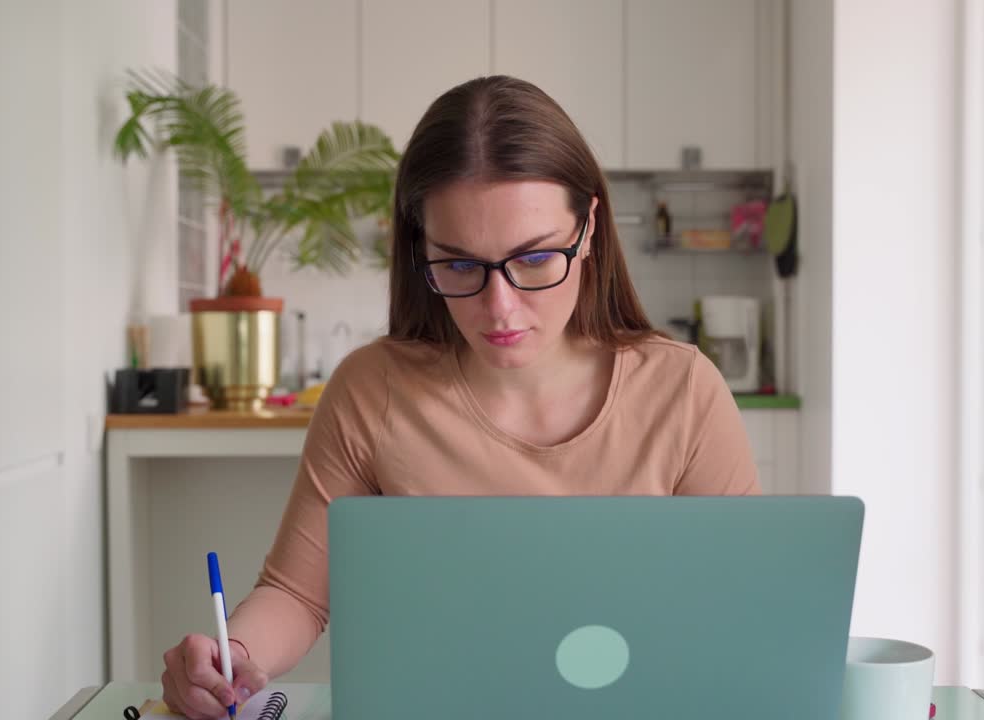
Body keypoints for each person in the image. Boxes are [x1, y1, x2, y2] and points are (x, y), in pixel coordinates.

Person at [160, 75, 760, 719]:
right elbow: (298, 594)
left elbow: (746, 607)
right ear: (421, 244)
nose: (498, 306)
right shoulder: (373, 390)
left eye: (533, 260)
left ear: (588, 227)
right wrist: (231, 656)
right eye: (460, 265)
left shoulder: (683, 389)